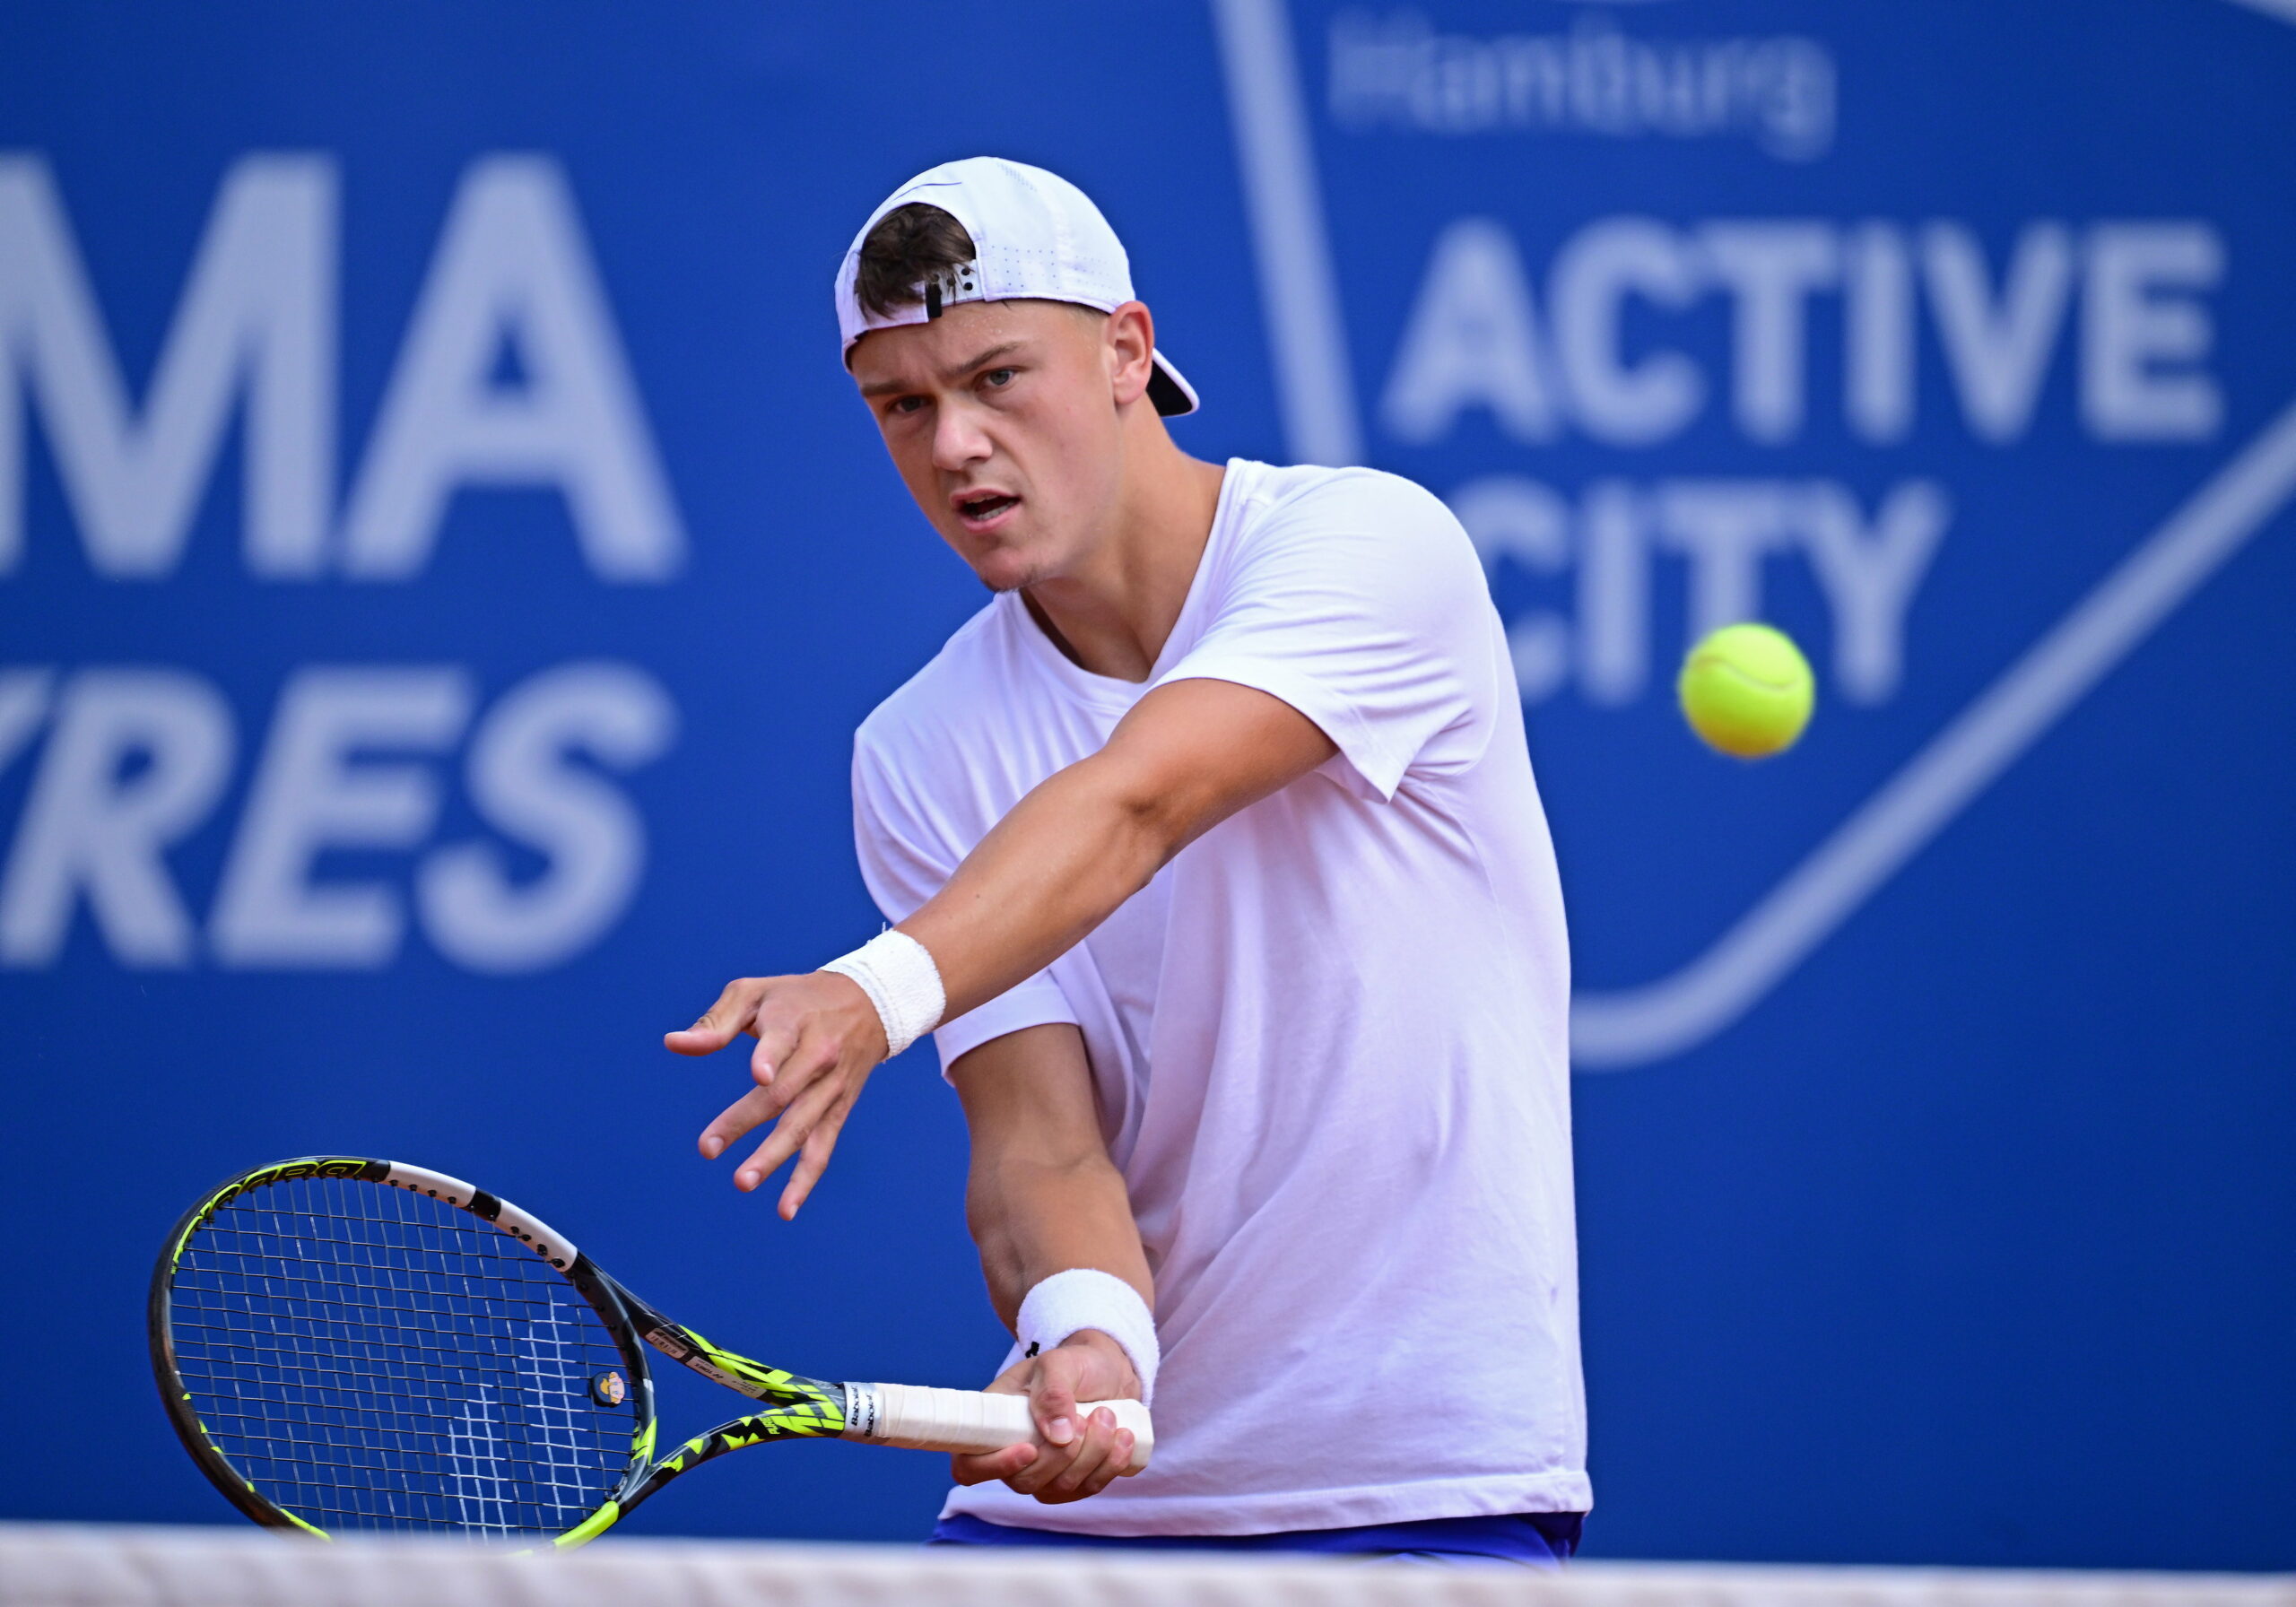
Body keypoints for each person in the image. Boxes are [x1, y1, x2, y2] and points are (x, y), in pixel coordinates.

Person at [666, 157, 1587, 1565]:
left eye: (996, 379)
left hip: (1410, 1490)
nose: (955, 443)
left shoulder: (1372, 547)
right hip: (1089, 1517)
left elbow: (1138, 805)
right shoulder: (916, 752)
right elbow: (1042, 1142)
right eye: (902, 405)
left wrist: (873, 992)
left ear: (1124, 353)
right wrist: (1089, 1338)